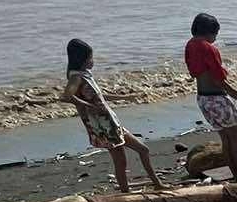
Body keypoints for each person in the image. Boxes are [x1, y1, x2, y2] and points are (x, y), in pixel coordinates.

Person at [64, 39, 163, 193]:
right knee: (121, 162)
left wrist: (125, 98)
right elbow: (67, 96)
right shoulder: (76, 77)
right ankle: (126, 194)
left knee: (143, 150)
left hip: (111, 123)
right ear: (81, 59)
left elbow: (100, 97)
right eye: (90, 58)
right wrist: (89, 106)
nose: (92, 61)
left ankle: (157, 184)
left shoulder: (85, 75)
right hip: (103, 128)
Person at [185, 12, 237, 181]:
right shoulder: (209, 48)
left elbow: (194, 73)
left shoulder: (190, 45)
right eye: (215, 33)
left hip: (203, 99)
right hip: (217, 99)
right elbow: (218, 78)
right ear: (210, 31)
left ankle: (236, 176)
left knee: (226, 140)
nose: (216, 37)